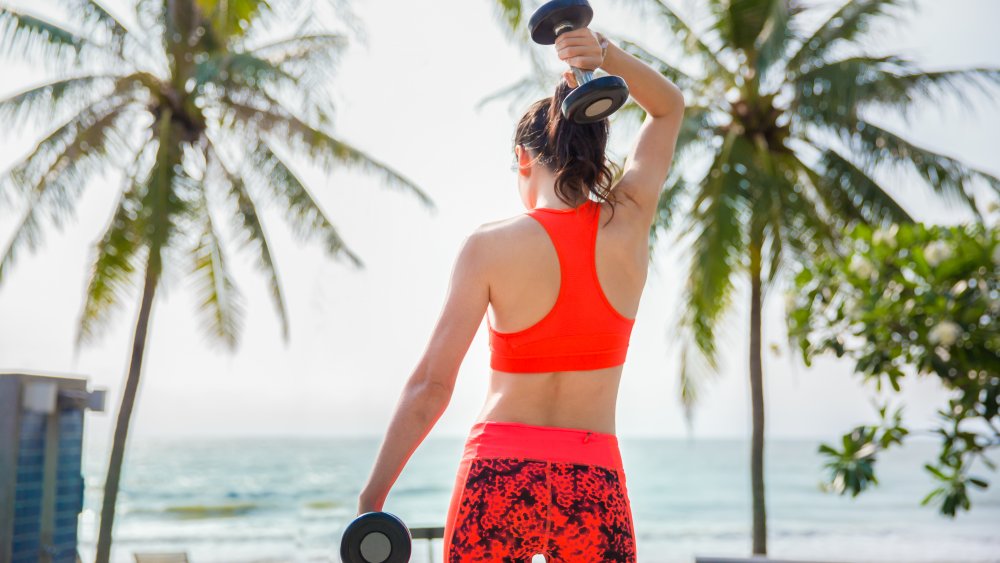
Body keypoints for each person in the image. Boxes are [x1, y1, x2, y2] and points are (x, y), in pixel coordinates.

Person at [356, 24, 685, 563]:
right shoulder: (627, 226)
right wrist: (603, 54)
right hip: (593, 483)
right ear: (597, 150)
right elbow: (668, 108)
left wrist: (373, 497)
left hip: (498, 479)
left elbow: (431, 388)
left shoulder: (489, 248)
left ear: (523, 157)